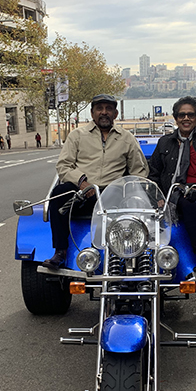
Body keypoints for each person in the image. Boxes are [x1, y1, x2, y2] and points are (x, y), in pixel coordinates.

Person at [43, 94, 148, 269]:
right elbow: (63, 166)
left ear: (115, 114)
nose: (104, 112)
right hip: (83, 192)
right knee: (59, 194)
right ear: (92, 113)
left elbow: (139, 170)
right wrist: (82, 182)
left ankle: (121, 255)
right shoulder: (77, 135)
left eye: (108, 109)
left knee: (124, 197)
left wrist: (130, 187)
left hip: (113, 193)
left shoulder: (127, 138)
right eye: (99, 109)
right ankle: (60, 251)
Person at [149, 96, 196, 272]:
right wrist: (158, 196)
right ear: (176, 118)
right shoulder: (164, 142)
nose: (186, 118)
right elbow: (153, 172)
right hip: (177, 192)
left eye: (190, 115)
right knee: (188, 203)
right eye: (182, 115)